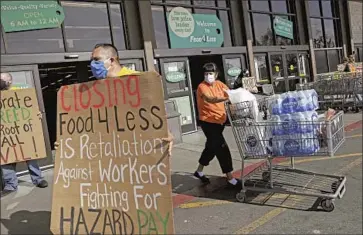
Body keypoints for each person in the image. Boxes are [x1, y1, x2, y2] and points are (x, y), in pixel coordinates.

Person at [55, 43, 173, 155]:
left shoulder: (136, 80)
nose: (92, 64)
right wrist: (68, 143)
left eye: (96, 59)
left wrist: (166, 133)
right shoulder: (96, 90)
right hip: (112, 153)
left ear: (111, 60)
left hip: (140, 149)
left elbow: (155, 110)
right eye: (91, 60)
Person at [0, 73, 48, 197]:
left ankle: (38, 179)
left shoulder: (22, 90)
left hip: (23, 131)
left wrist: (36, 114)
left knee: (30, 155)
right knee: (6, 158)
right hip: (6, 134)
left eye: (2, 79)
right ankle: (11, 185)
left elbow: (30, 107)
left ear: (9, 81)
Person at [194, 62, 240, 188]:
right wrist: (225, 99)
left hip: (219, 121)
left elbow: (230, 93)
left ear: (216, 74)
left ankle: (199, 171)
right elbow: (210, 99)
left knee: (211, 147)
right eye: (206, 74)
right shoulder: (202, 87)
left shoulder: (220, 84)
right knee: (221, 147)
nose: (208, 76)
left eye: (210, 73)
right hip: (208, 122)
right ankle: (230, 178)